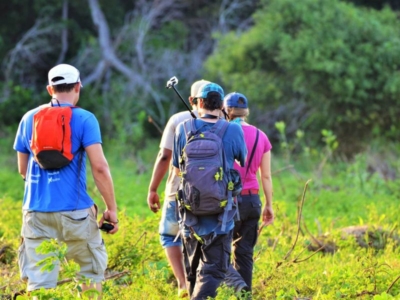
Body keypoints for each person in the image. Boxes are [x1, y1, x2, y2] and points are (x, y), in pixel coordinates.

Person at [13, 64, 119, 298]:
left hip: (35, 213)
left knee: (40, 282)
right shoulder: (85, 119)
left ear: (50, 89)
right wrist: (111, 209)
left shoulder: (29, 118)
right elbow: (99, 168)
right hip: (76, 212)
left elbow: (23, 170)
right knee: (89, 274)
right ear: (78, 86)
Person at [172, 83, 247, 299]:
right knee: (214, 269)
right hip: (221, 213)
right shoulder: (232, 129)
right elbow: (241, 159)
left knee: (193, 271)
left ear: (198, 102)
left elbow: (178, 169)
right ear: (222, 104)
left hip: (190, 212)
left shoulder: (184, 128)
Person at [147, 79, 210, 298]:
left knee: (168, 235)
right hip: (213, 194)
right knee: (206, 237)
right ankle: (203, 284)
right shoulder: (223, 121)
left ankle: (183, 284)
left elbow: (165, 156)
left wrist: (153, 188)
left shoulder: (178, 119)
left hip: (179, 191)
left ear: (192, 100)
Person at [223, 92, 274, 292]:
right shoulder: (262, 136)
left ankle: (237, 288)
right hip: (252, 201)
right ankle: (245, 295)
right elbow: (266, 176)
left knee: (218, 253)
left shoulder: (223, 132)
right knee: (244, 253)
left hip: (228, 201)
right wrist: (268, 205)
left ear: (226, 111)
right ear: (247, 113)